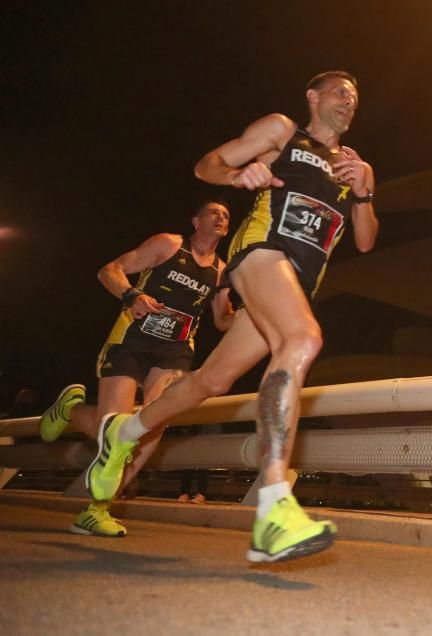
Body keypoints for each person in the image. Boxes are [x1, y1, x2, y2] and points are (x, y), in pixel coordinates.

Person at [81, 70, 378, 563]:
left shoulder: (353, 166)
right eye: (339, 92)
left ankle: (122, 433)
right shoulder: (283, 132)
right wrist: (239, 175)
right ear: (313, 96)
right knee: (302, 340)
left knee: (209, 382)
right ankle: (274, 510)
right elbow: (208, 165)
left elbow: (365, 241)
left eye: (355, 95)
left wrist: (364, 189)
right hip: (262, 253)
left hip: (295, 281)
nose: (349, 100)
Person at [38, 200, 233, 537]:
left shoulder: (221, 271)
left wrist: (255, 315)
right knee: (110, 428)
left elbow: (222, 318)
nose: (221, 218)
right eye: (214, 212)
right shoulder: (168, 244)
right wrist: (131, 296)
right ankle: (68, 411)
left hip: (175, 351)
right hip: (132, 340)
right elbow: (109, 270)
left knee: (150, 426)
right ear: (195, 220)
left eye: (226, 216)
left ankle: (97, 510)